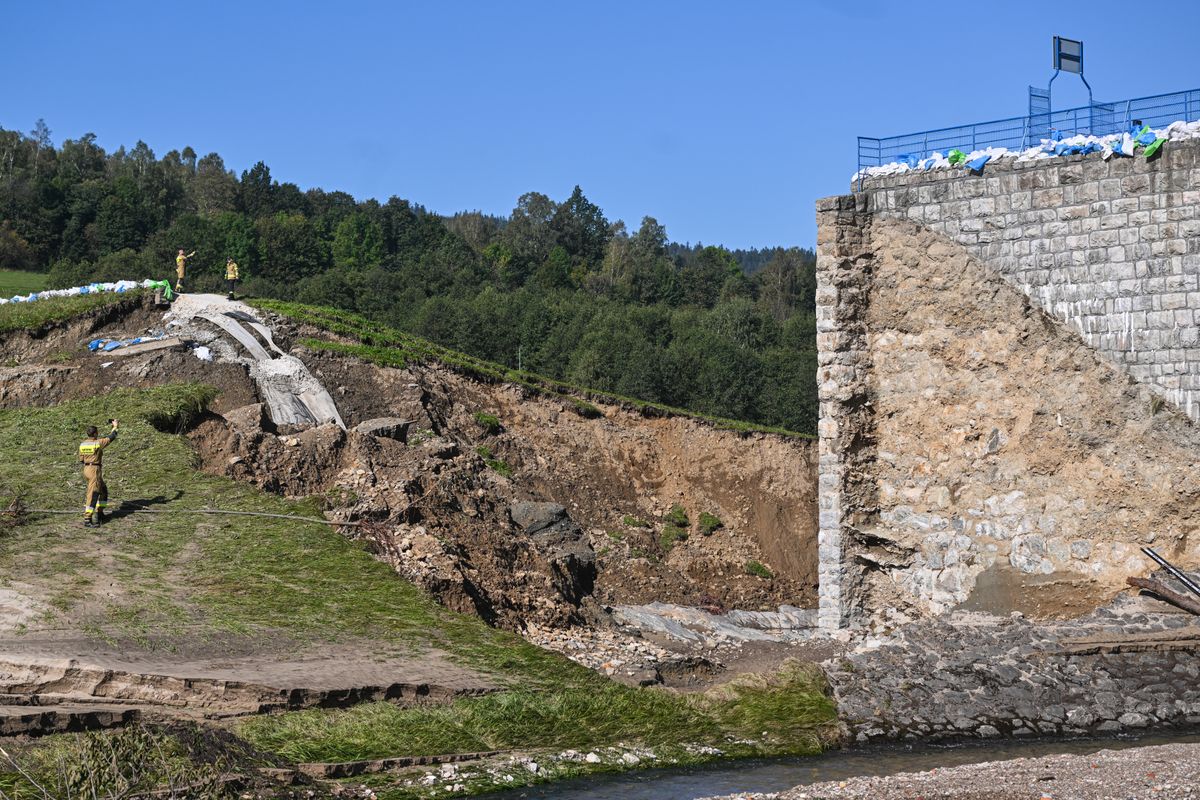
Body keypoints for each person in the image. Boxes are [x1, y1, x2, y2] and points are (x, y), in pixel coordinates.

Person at [79, 419, 119, 528]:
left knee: (103, 490)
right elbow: (112, 436)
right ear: (95, 433)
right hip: (94, 470)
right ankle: (88, 519)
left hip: (86, 469)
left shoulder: (83, 444)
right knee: (93, 494)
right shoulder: (97, 443)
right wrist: (115, 426)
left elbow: (81, 459)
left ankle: (100, 512)